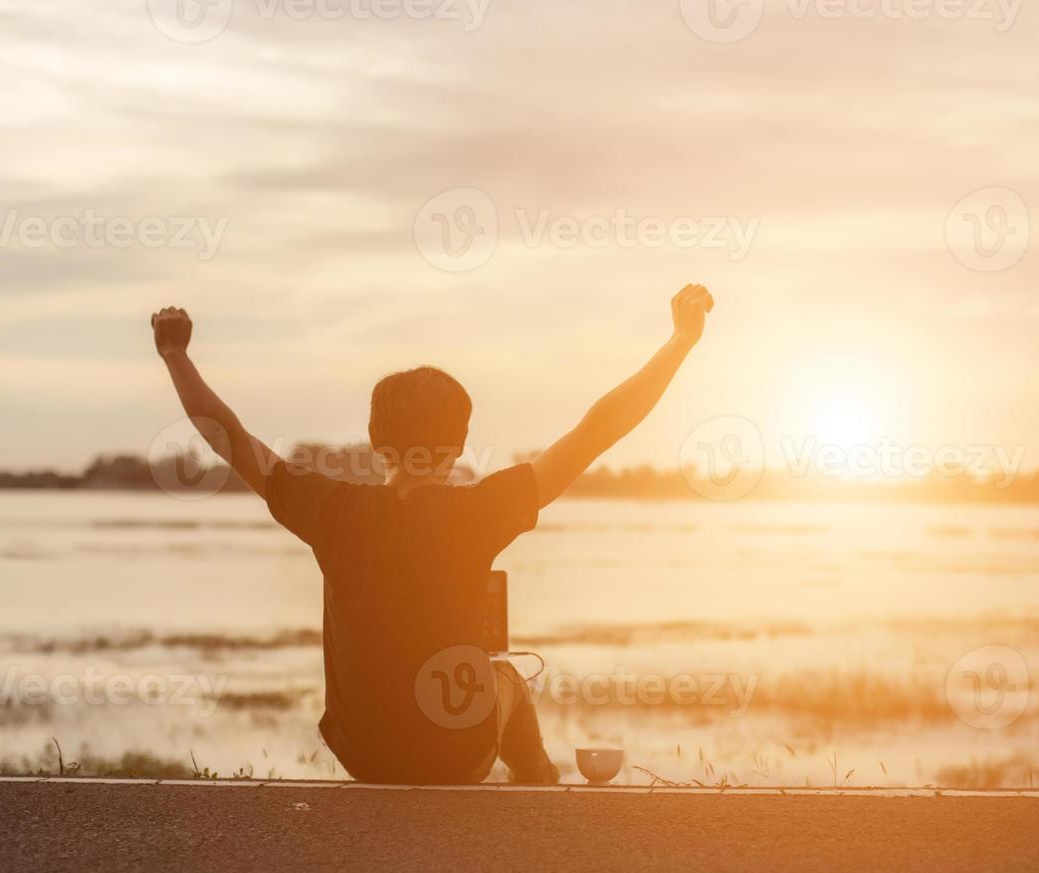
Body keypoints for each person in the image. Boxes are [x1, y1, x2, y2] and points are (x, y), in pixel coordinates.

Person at [151, 284, 714, 784]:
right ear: (460, 444)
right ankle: (539, 782)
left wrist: (175, 354)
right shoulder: (481, 511)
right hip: (453, 761)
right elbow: (600, 429)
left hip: (362, 759)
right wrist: (680, 343)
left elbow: (225, 434)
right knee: (508, 678)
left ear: (375, 439)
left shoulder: (330, 508)